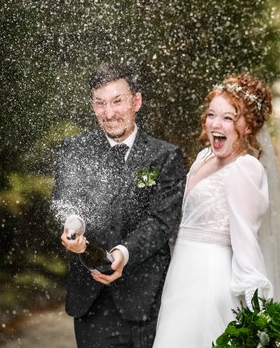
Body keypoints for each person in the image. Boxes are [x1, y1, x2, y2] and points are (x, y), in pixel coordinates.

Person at [52, 62, 186, 348]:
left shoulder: (165, 156)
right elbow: (68, 202)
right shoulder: (74, 151)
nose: (109, 113)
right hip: (92, 300)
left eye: (117, 101)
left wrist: (124, 253)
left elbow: (162, 222)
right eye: (100, 104)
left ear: (136, 101)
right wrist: (73, 227)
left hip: (148, 300)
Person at [152, 75, 280, 348]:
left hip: (210, 285)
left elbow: (246, 242)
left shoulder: (245, 169)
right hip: (181, 278)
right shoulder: (204, 156)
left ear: (249, 125)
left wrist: (260, 317)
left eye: (228, 118)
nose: (216, 124)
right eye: (212, 114)